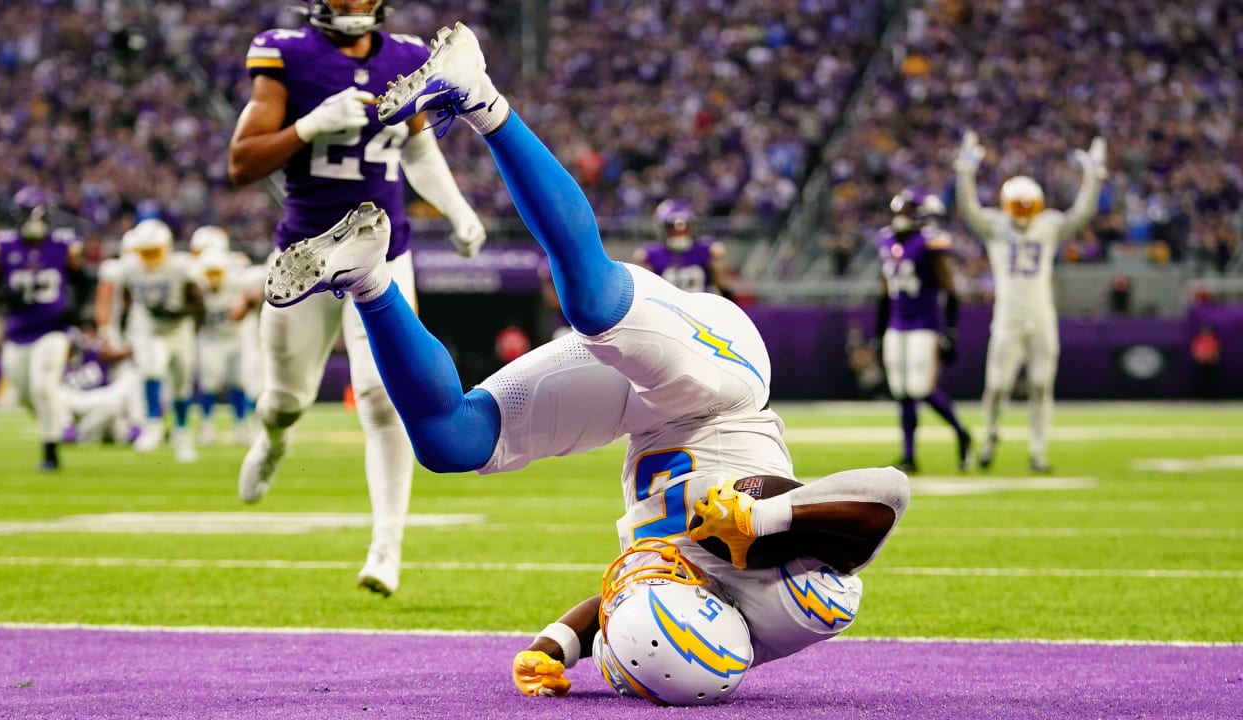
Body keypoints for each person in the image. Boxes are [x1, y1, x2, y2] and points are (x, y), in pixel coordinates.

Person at [264, 23, 909, 705]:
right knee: (595, 305)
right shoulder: (800, 602)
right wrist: (764, 523)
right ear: (698, 602)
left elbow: (633, 600)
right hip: (723, 383)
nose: (622, 583)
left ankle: (366, 277)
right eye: (642, 593)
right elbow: (885, 494)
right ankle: (480, 94)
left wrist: (559, 642)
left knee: (451, 443)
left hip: (640, 419)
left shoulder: (674, 607)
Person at [227, 0, 487, 596]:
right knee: (286, 399)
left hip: (385, 254)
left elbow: (417, 147)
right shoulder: (286, 54)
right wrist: (308, 126)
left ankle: (386, 549)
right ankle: (272, 438)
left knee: (382, 397)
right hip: (305, 257)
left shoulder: (408, 55)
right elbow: (242, 162)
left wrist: (457, 209)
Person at [954, 130, 1106, 473]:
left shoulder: (1049, 225)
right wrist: (965, 172)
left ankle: (1038, 452)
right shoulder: (995, 226)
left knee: (1041, 386)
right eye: (1018, 206)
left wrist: (1093, 177)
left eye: (1028, 207)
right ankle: (991, 436)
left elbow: (1081, 214)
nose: (1023, 214)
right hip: (1007, 318)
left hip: (1041, 317)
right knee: (996, 386)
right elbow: (968, 208)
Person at [0, 187, 86, 470]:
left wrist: (76, 311)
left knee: (44, 386)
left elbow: (82, 279)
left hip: (53, 328)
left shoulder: (62, 243)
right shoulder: (4, 245)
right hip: (18, 332)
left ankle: (50, 451)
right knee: (26, 393)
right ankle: (63, 418)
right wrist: (5, 295)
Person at [876, 189, 972, 473]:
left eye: (905, 212)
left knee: (921, 389)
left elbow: (951, 290)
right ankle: (909, 455)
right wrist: (879, 330)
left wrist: (950, 331)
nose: (899, 219)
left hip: (923, 326)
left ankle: (960, 431)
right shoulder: (887, 241)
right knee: (903, 392)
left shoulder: (929, 244)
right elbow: (884, 292)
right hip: (896, 325)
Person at [97, 218, 204, 462]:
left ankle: (181, 431)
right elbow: (123, 295)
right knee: (151, 368)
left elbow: (198, 304)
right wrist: (122, 327)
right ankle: (153, 425)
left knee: (181, 383)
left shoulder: (180, 267)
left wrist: (177, 313)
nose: (150, 257)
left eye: (154, 251)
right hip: (150, 328)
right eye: (146, 252)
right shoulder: (130, 268)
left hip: (179, 329)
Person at [193, 249, 254, 445]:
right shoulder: (196, 287)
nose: (214, 279)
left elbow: (251, 299)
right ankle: (207, 425)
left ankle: (241, 426)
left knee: (239, 382)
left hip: (234, 338)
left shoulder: (236, 284)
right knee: (209, 383)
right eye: (210, 274)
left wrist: (245, 305)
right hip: (210, 339)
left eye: (217, 273)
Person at [634, 199, 736, 299]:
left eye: (684, 226)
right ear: (663, 228)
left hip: (700, 305)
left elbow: (721, 280)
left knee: (717, 265)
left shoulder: (705, 249)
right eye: (672, 227)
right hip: (666, 307)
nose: (679, 232)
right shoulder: (651, 253)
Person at [61, 321, 141, 445]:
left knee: (131, 377)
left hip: (103, 396)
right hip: (77, 400)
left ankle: (135, 426)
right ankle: (67, 428)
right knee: (56, 392)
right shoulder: (56, 362)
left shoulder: (93, 351)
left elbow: (111, 354)